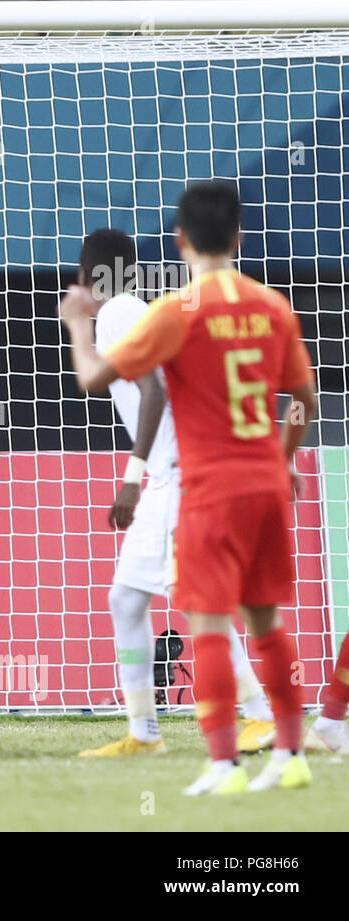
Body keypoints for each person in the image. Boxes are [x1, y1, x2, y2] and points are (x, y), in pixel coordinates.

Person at [59, 180, 316, 795]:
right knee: (245, 615)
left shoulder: (139, 309)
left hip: (189, 479)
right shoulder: (271, 305)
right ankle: (273, 743)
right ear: (240, 237)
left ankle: (228, 741)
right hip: (249, 475)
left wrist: (77, 325)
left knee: (198, 610)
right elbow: (303, 402)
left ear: (180, 240)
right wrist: (283, 458)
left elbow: (132, 386)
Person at [72, 228, 276, 758]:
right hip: (169, 473)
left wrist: (132, 477)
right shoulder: (134, 308)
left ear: (89, 276)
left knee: (196, 602)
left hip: (169, 478)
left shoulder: (116, 311)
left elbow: (154, 390)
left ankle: (259, 715)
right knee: (127, 599)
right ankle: (144, 733)